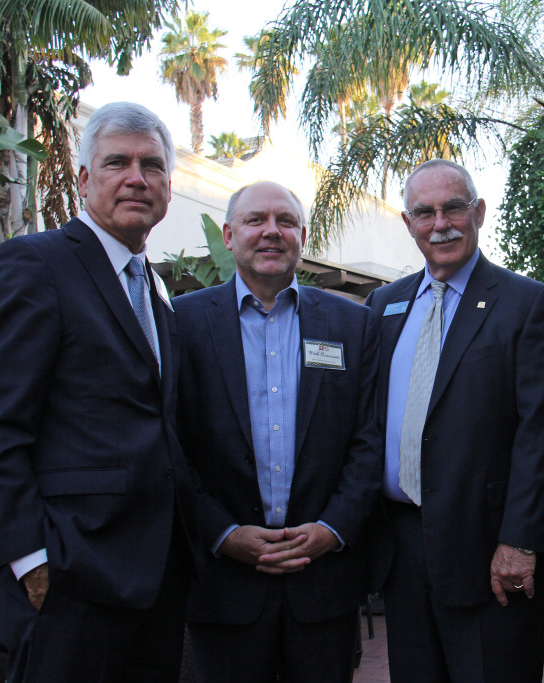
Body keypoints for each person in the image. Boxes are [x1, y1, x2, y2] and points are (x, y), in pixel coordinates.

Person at [0, 102, 195, 682]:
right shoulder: (35, 265)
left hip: (153, 586)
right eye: (118, 163)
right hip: (69, 584)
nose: (137, 178)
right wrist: (32, 566)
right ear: (85, 179)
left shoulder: (156, 291)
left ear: (168, 186)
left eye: (153, 166)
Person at [175, 181, 382, 682]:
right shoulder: (180, 323)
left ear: (303, 235)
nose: (272, 232)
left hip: (323, 586)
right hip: (222, 587)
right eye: (256, 221)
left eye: (285, 222)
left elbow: (369, 439)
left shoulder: (353, 324)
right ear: (228, 235)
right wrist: (222, 534)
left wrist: (332, 530)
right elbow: (172, 447)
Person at [366, 159, 544, 682]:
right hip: (402, 549)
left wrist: (521, 541)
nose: (441, 223)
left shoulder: (527, 305)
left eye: (453, 207)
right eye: (424, 212)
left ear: (477, 211)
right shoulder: (382, 306)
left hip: (489, 551)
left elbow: (541, 433)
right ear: (407, 223)